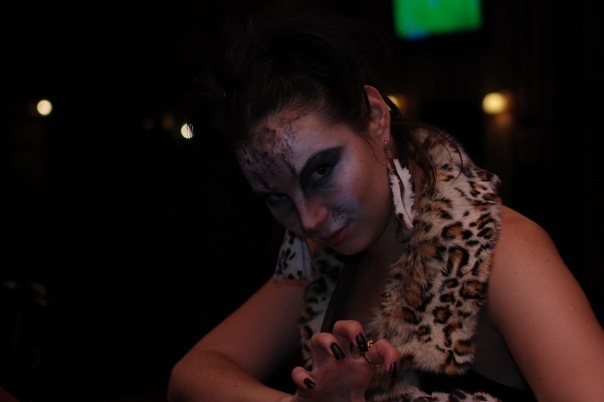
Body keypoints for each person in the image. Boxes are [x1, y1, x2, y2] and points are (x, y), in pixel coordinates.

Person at [167, 10, 604, 402]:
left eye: (321, 171)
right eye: (277, 198)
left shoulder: (503, 255)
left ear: (375, 117)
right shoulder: (323, 260)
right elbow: (193, 373)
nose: (308, 220)